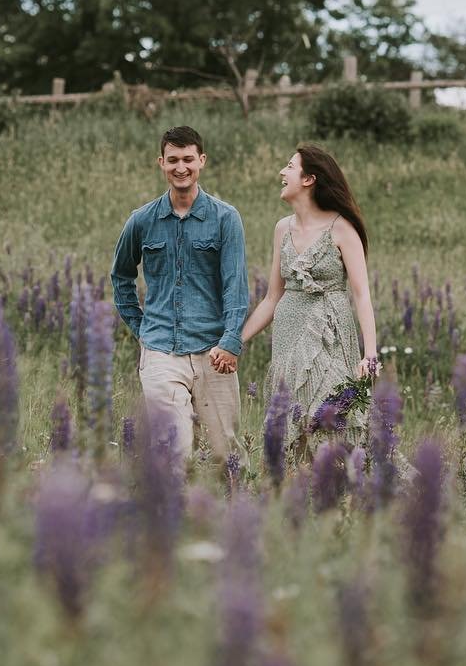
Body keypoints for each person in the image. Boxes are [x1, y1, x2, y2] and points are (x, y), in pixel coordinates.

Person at [110, 125, 249, 464]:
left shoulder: (225, 218)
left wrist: (231, 341)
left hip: (213, 350)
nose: (181, 167)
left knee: (224, 455)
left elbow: (236, 286)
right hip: (160, 351)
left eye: (188, 159)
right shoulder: (142, 220)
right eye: (173, 160)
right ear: (161, 163)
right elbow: (121, 277)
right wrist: (142, 329)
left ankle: (226, 514)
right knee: (173, 449)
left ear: (201, 161)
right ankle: (170, 515)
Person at [241, 143, 377, 453]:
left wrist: (369, 354)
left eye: (289, 166)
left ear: (309, 179)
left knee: (332, 419)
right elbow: (272, 298)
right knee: (292, 426)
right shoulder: (281, 229)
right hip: (288, 337)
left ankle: (344, 487)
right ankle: (298, 494)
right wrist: (237, 341)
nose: (281, 172)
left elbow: (362, 295)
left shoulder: (342, 229)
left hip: (329, 335)